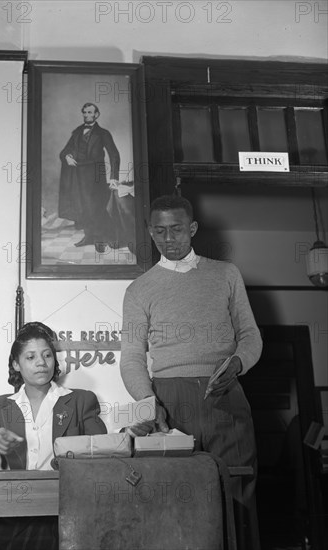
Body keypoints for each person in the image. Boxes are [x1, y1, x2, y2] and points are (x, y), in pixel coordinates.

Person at [120, 194, 263, 550]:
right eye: (159, 231)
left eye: (177, 230)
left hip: (225, 395)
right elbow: (132, 357)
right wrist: (148, 403)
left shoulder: (226, 274)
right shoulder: (139, 290)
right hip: (169, 400)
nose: (168, 239)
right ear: (150, 232)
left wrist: (239, 363)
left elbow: (250, 334)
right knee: (174, 498)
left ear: (193, 228)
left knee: (236, 493)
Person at [0, 321, 106, 550]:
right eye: (31, 357)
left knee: (43, 526)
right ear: (16, 364)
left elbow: (102, 451)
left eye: (47, 355)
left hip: (63, 502)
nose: (41, 363)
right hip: (14, 503)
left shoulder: (81, 400)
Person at [59, 102, 120, 253]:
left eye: (89, 112)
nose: (86, 115)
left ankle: (104, 237)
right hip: (78, 173)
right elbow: (64, 151)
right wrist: (66, 157)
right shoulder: (77, 132)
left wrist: (114, 177)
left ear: (96, 114)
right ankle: (89, 236)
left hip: (96, 172)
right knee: (82, 206)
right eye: (84, 112)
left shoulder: (103, 133)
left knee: (96, 205)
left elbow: (114, 154)